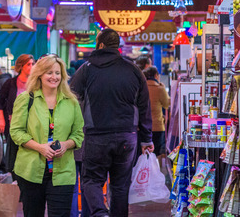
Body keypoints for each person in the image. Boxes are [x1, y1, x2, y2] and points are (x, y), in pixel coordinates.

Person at [70, 29, 153, 217]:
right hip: (127, 137)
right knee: (121, 185)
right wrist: (146, 139)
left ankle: (99, 213)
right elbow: (144, 107)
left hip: (95, 135)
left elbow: (71, 99)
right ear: (117, 46)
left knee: (91, 180)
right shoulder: (133, 70)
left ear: (100, 45)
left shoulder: (86, 69)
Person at [10, 55, 84, 217]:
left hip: (63, 172)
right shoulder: (26, 99)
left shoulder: (71, 102)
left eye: (58, 73)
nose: (54, 77)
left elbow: (78, 133)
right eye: (49, 72)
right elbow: (16, 131)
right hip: (30, 171)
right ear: (40, 75)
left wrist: (66, 145)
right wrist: (40, 147)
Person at [0, 54, 35, 174]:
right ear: (21, 66)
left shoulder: (36, 83)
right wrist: (1, 120)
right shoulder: (11, 83)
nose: (32, 67)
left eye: (33, 64)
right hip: (13, 123)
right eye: (29, 64)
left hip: (32, 124)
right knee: (13, 151)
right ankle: (14, 175)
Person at [144, 67, 170, 156]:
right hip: (157, 126)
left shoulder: (141, 88)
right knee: (156, 153)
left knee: (144, 153)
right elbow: (166, 104)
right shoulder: (159, 88)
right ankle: (154, 169)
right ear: (156, 75)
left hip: (143, 126)